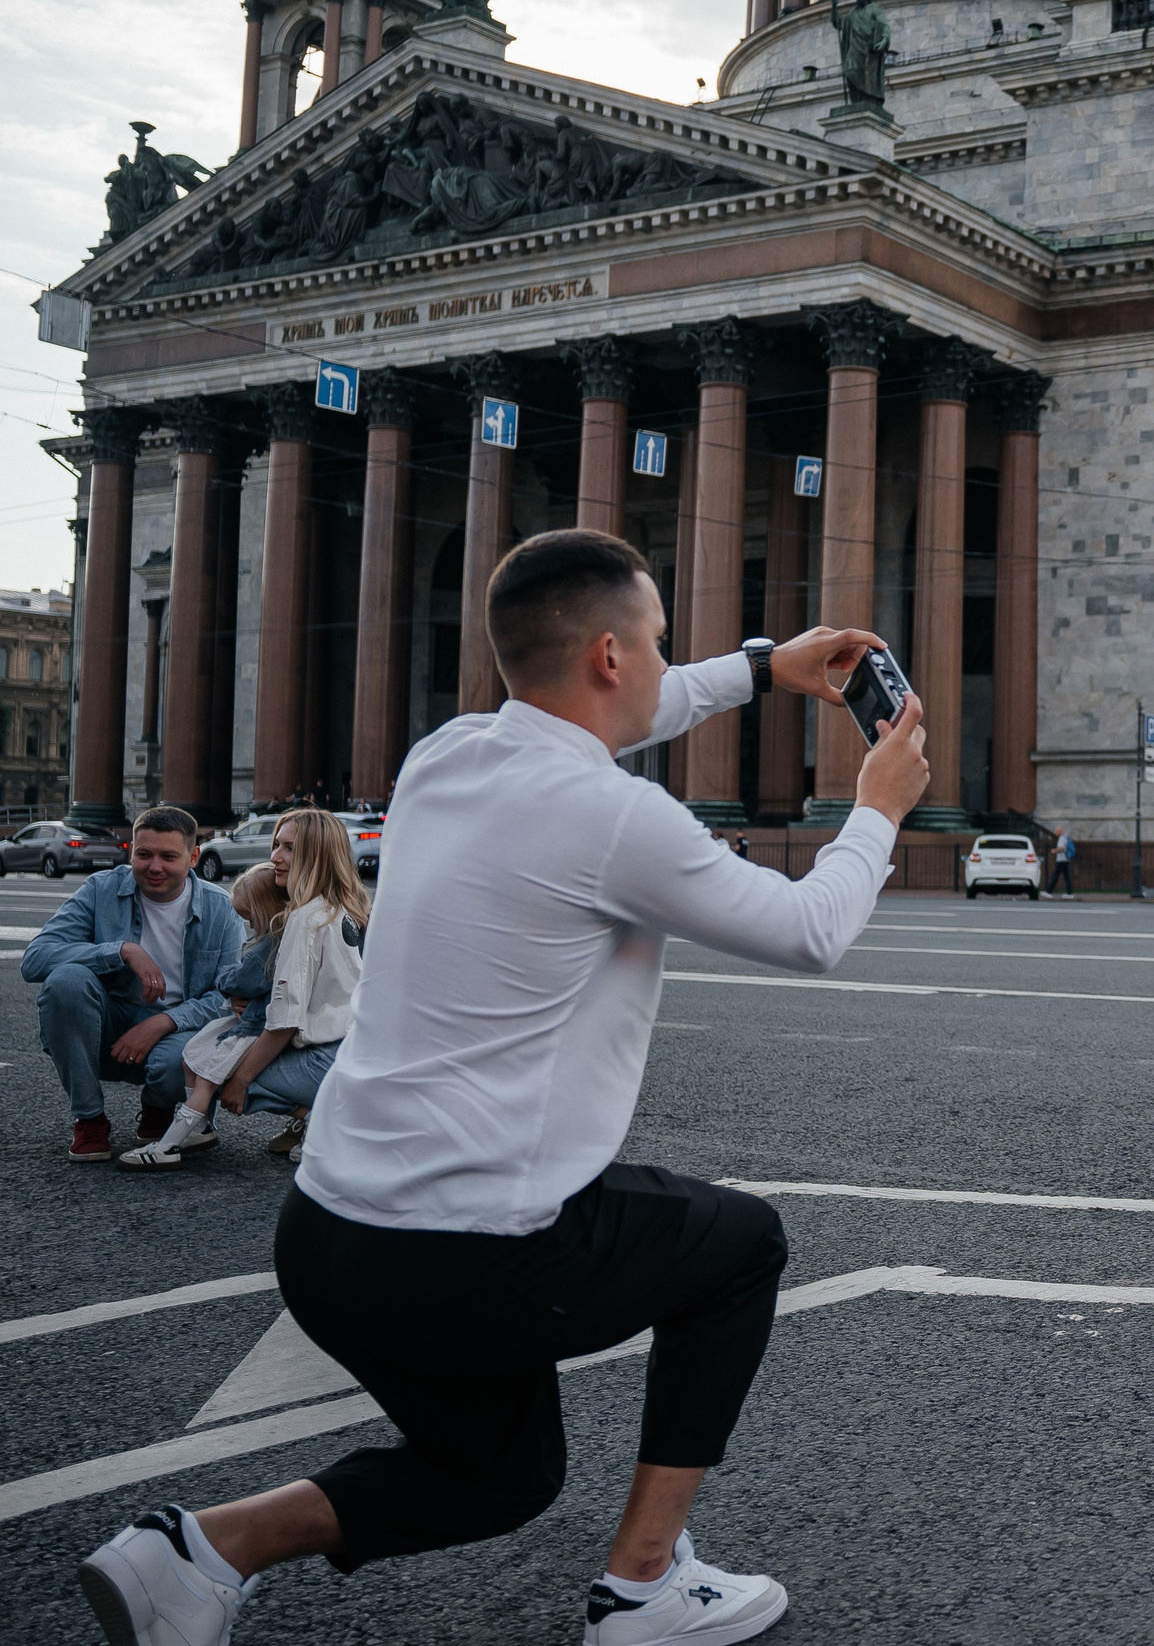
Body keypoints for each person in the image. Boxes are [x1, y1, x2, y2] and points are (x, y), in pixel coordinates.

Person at [76, 530, 932, 1646]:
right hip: (471, 1250)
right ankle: (644, 1586)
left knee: (499, 1475)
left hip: (328, 1232)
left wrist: (761, 669)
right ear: (612, 657)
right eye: (657, 640)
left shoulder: (445, 756)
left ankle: (196, 1551)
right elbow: (812, 931)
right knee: (738, 1247)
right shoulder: (618, 817)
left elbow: (621, 713)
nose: (666, 660)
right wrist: (879, 808)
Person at [24, 806, 244, 1162]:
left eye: (168, 857)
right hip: (110, 1025)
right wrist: (121, 951)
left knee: (181, 1060)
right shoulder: (101, 889)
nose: (154, 867)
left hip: (178, 1032)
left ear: (193, 857)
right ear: (131, 852)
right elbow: (35, 958)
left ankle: (158, 1105)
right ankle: (89, 1119)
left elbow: (229, 996)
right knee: (65, 982)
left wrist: (162, 1022)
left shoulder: (221, 909)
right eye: (144, 854)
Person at [117, 863, 288, 1170]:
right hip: (248, 1020)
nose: (248, 923)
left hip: (252, 1027)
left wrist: (225, 977)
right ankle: (200, 1127)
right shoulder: (277, 939)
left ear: (264, 910)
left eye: (249, 916)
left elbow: (242, 981)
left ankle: (168, 1145)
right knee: (192, 1055)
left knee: (207, 1079)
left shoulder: (267, 946)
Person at [224, 808, 371, 1161]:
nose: (275, 856)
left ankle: (326, 1123)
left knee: (216, 1069)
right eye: (276, 845)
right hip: (358, 1048)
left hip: (325, 1058)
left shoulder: (305, 918)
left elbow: (285, 1019)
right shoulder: (348, 906)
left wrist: (239, 1080)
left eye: (289, 848)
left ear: (317, 855)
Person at [1045, 823, 1076, 898]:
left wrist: (1054, 850)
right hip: (1066, 859)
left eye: (1056, 830)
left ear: (1059, 831)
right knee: (1067, 877)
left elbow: (1061, 848)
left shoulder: (1062, 838)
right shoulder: (1066, 837)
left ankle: (1049, 892)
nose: (1055, 832)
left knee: (1055, 876)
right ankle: (1069, 893)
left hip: (1061, 860)